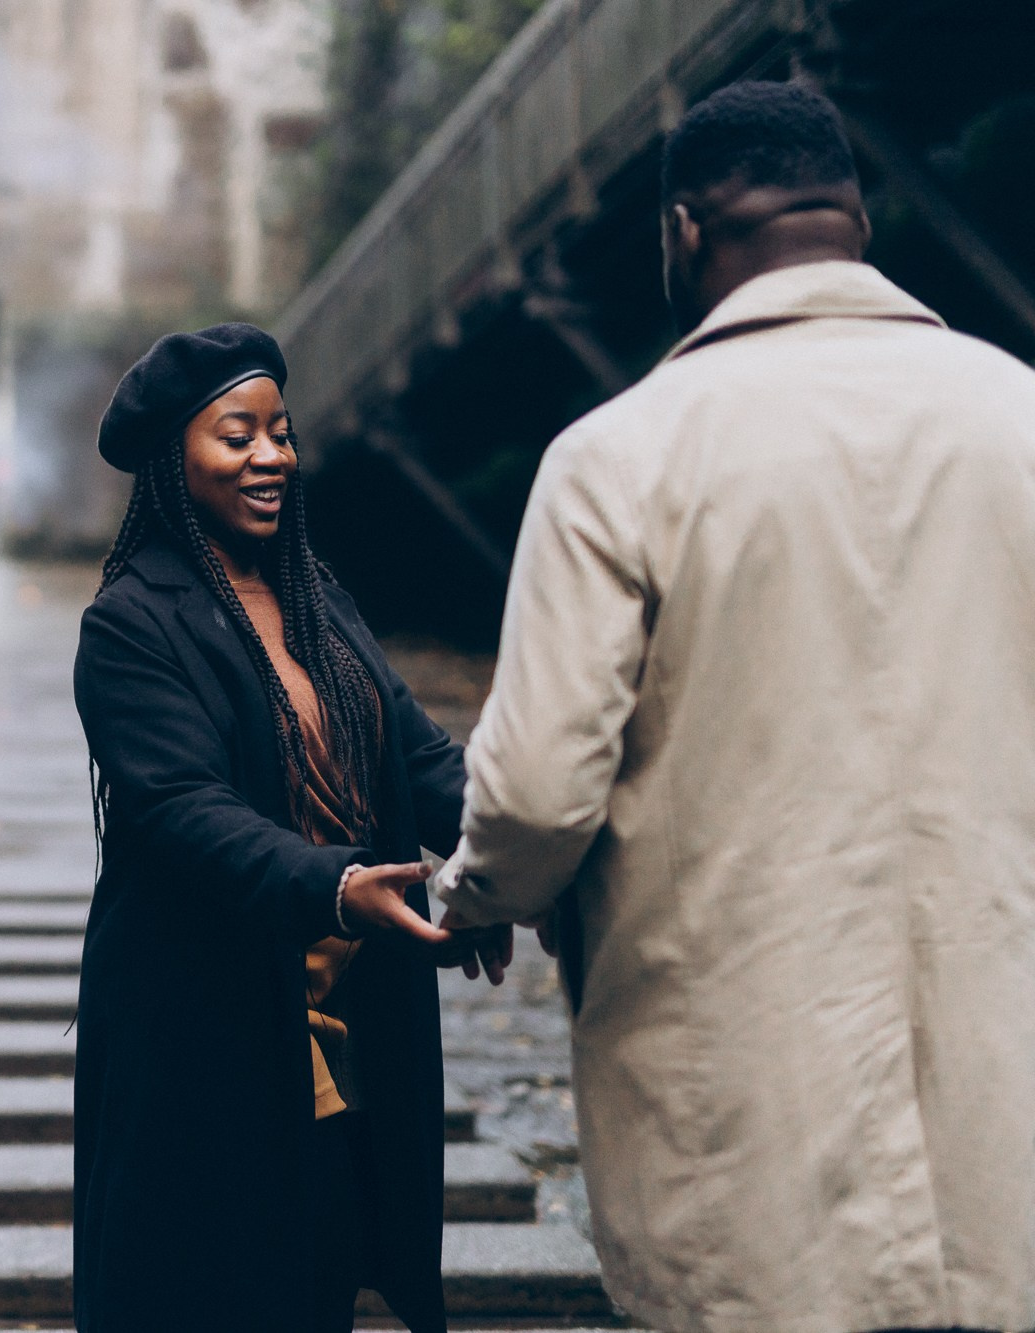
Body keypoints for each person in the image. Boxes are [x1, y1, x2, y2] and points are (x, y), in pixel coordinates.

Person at [431, 80, 1035, 1333]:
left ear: (682, 234)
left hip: (749, 1099)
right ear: (854, 225)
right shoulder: (1018, 415)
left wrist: (480, 896)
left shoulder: (618, 454)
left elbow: (538, 789)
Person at [73, 323, 509, 1333]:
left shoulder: (317, 597)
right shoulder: (132, 622)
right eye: (236, 435)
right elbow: (182, 811)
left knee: (324, 1260)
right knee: (209, 1272)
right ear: (173, 460)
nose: (270, 456)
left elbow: (418, 758)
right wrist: (334, 885)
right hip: (202, 1013)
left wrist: (507, 865)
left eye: (280, 431)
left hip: (346, 1011)